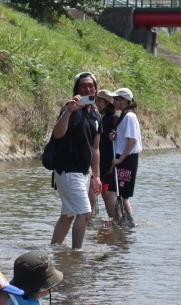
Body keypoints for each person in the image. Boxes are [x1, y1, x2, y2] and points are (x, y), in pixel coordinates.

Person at [49, 72, 102, 249]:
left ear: (95, 89)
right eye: (83, 85)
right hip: (67, 169)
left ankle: (53, 249)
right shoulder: (70, 109)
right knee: (85, 213)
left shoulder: (96, 115)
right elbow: (57, 134)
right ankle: (77, 254)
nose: (88, 88)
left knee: (68, 215)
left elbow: (96, 149)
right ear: (76, 89)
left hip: (84, 172)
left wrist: (97, 176)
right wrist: (69, 111)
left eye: (91, 85)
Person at [110, 87, 141, 224]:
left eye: (116, 99)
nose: (114, 102)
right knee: (118, 193)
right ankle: (122, 222)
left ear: (125, 100)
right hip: (122, 158)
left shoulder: (129, 116)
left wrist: (121, 158)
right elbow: (126, 138)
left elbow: (133, 140)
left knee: (123, 195)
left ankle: (130, 222)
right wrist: (115, 137)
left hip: (127, 159)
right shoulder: (125, 115)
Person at [91, 89, 119, 218]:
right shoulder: (101, 118)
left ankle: (115, 220)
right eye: (96, 101)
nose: (97, 104)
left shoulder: (114, 119)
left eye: (100, 101)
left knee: (107, 193)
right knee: (101, 192)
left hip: (109, 162)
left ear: (108, 103)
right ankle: (112, 220)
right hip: (100, 162)